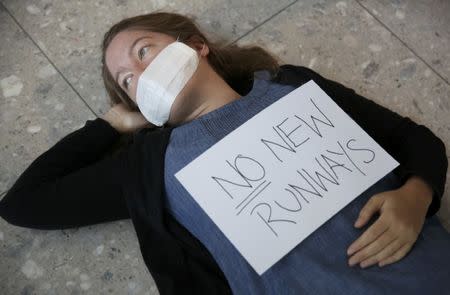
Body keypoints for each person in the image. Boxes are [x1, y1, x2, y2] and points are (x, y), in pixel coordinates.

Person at [1, 11, 449, 295]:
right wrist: (110, 125)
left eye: (144, 52)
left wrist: (418, 191)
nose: (141, 72)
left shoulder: (291, 85)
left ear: (196, 46)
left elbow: (412, 138)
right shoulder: (148, 167)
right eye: (126, 81)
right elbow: (24, 202)